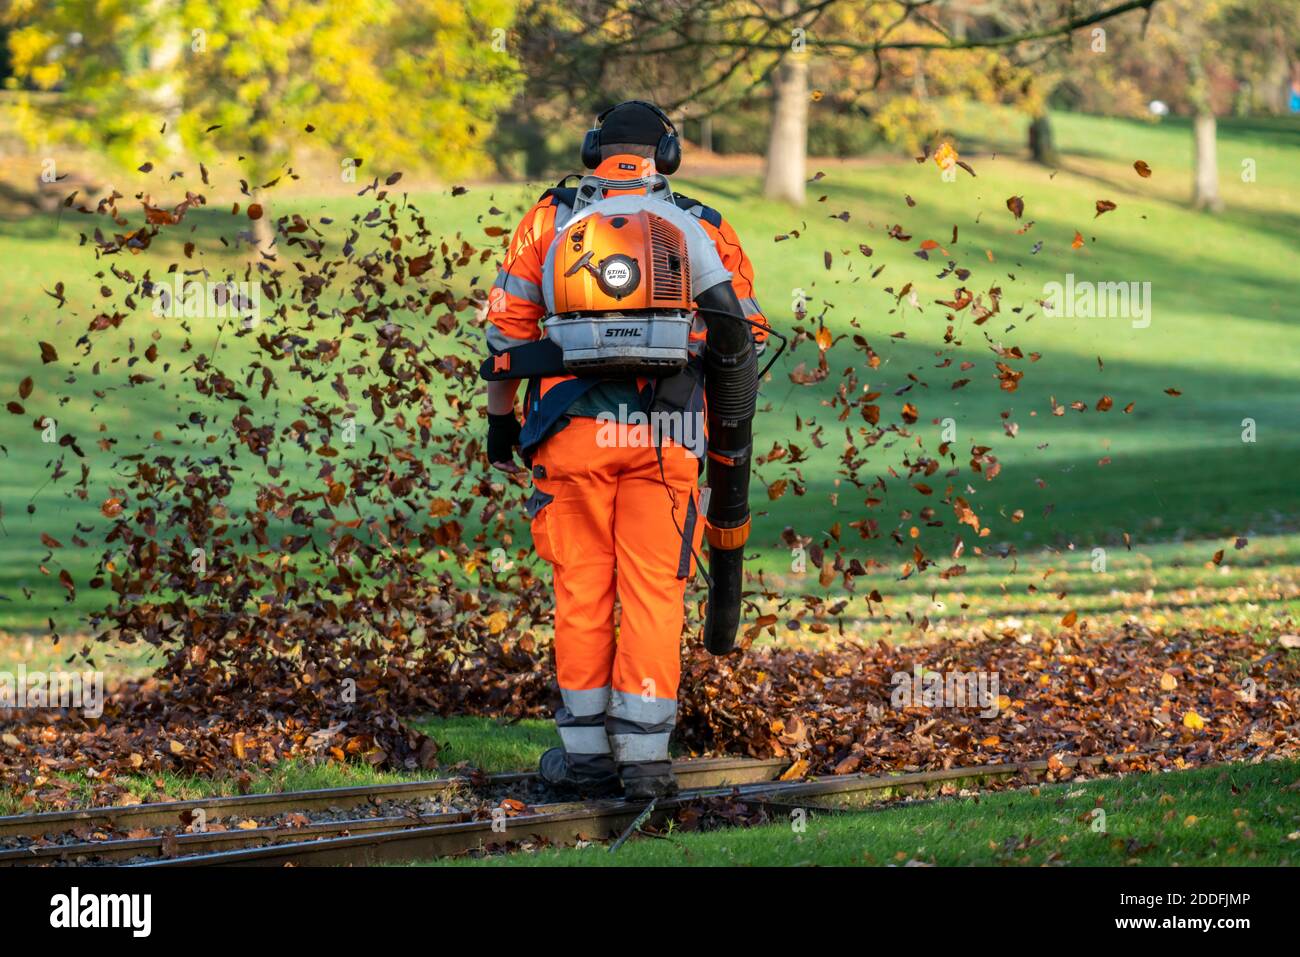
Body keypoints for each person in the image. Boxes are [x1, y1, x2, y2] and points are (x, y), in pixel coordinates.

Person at [482, 100, 767, 799]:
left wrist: (500, 422)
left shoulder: (548, 220)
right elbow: (746, 338)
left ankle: (583, 756)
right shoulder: (703, 226)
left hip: (569, 433)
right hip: (667, 440)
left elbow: (502, 338)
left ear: (591, 149)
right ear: (666, 154)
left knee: (581, 586)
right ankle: (644, 761)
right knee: (653, 590)